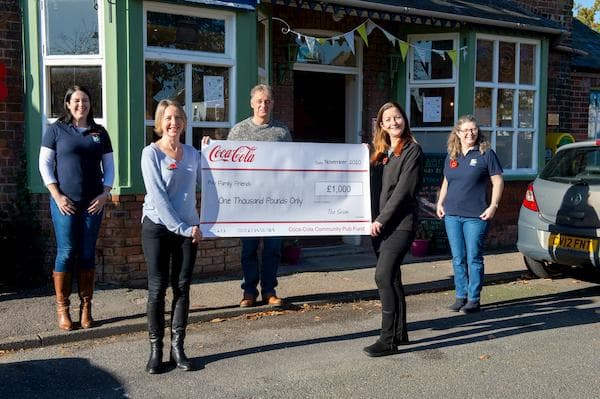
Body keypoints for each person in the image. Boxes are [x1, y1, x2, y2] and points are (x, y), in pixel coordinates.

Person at [38, 85, 114, 331]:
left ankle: (86, 309)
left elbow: (110, 167)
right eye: (77, 101)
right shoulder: (56, 130)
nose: (81, 105)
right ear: (68, 104)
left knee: (87, 252)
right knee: (67, 252)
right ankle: (63, 310)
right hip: (65, 203)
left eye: (86, 101)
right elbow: (45, 165)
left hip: (93, 203)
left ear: (91, 105)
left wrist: (105, 194)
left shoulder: (99, 133)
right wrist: (57, 195)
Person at [141, 100, 202, 374]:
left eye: (178, 117)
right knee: (157, 289)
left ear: (185, 123)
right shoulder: (150, 154)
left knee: (182, 289)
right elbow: (159, 199)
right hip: (157, 227)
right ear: (159, 122)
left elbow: (216, 182)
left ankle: (178, 348)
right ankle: (156, 350)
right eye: (168, 118)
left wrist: (215, 150)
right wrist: (182, 228)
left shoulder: (193, 154)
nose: (173, 122)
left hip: (188, 229)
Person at [364, 102, 424, 357]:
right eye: (387, 119)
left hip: (399, 225)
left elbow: (402, 192)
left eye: (397, 117)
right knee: (394, 278)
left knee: (383, 276)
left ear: (404, 119)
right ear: (381, 125)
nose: (393, 122)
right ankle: (401, 332)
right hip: (379, 226)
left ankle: (387, 340)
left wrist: (381, 220)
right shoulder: (380, 152)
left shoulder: (412, 150)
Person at [227, 84, 292, 308]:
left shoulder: (282, 132)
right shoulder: (238, 132)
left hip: (275, 202)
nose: (263, 105)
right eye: (259, 101)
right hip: (248, 203)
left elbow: (291, 165)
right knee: (249, 249)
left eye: (267, 101)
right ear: (251, 103)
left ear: (272, 103)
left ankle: (269, 291)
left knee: (273, 249)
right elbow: (227, 164)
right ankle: (249, 292)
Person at [436, 115, 504, 314]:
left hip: (476, 216)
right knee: (458, 258)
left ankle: (474, 299)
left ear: (478, 131)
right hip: (452, 215)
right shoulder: (452, 155)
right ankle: (461, 296)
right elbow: (447, 181)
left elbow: (498, 181)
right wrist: (440, 202)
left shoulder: (486, 154)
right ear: (457, 133)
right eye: (465, 130)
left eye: (473, 129)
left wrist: (493, 206)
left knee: (473, 257)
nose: (469, 133)